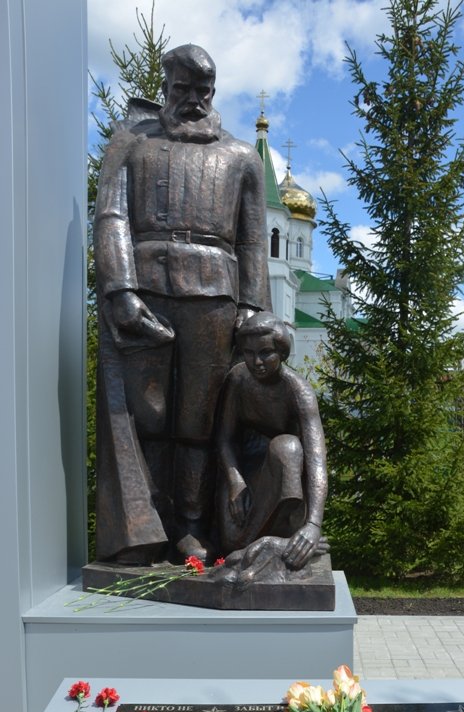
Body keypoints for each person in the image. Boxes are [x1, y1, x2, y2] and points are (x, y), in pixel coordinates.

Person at [94, 44, 269, 564]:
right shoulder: (130, 143)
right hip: (145, 292)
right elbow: (111, 218)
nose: (192, 100)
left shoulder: (241, 158)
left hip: (214, 296)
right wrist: (121, 289)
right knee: (148, 415)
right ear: (166, 87)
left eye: (202, 90)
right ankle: (146, 527)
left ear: (213, 92)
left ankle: (192, 527)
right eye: (182, 89)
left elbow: (253, 242)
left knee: (199, 418)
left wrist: (252, 308)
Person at [216, 312, 327, 570]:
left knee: (288, 447)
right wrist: (235, 482)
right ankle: (258, 547)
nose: (257, 361)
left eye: (266, 352)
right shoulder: (238, 379)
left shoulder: (297, 390)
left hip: (286, 479)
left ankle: (288, 536)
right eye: (249, 353)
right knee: (232, 542)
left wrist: (313, 524)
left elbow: (316, 457)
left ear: (282, 352)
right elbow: (225, 438)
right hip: (245, 476)